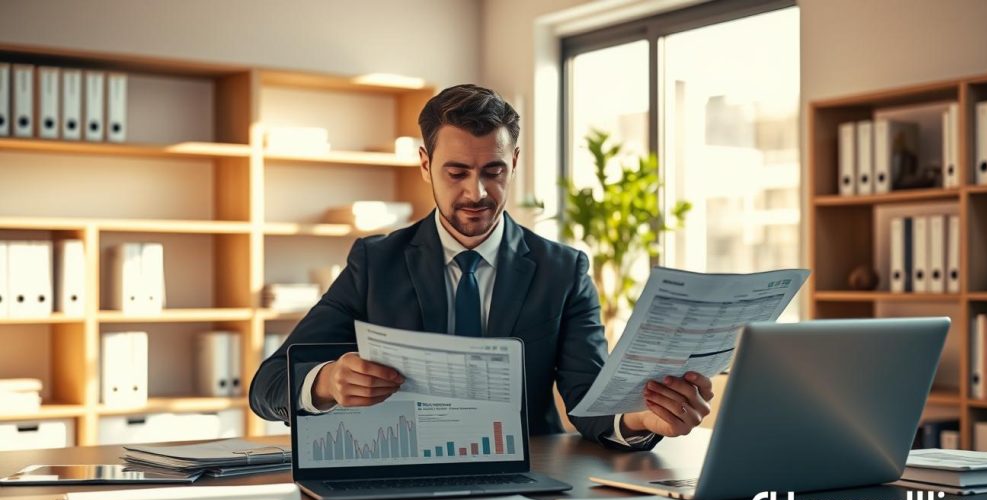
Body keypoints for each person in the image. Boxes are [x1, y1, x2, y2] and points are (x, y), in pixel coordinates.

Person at [250, 84, 713, 451]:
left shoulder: (562, 271)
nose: (478, 193)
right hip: (404, 469)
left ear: (513, 162)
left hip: (527, 476)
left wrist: (642, 419)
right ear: (425, 164)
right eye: (457, 173)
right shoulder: (376, 263)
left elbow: (589, 398)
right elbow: (267, 386)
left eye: (494, 171)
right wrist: (328, 381)